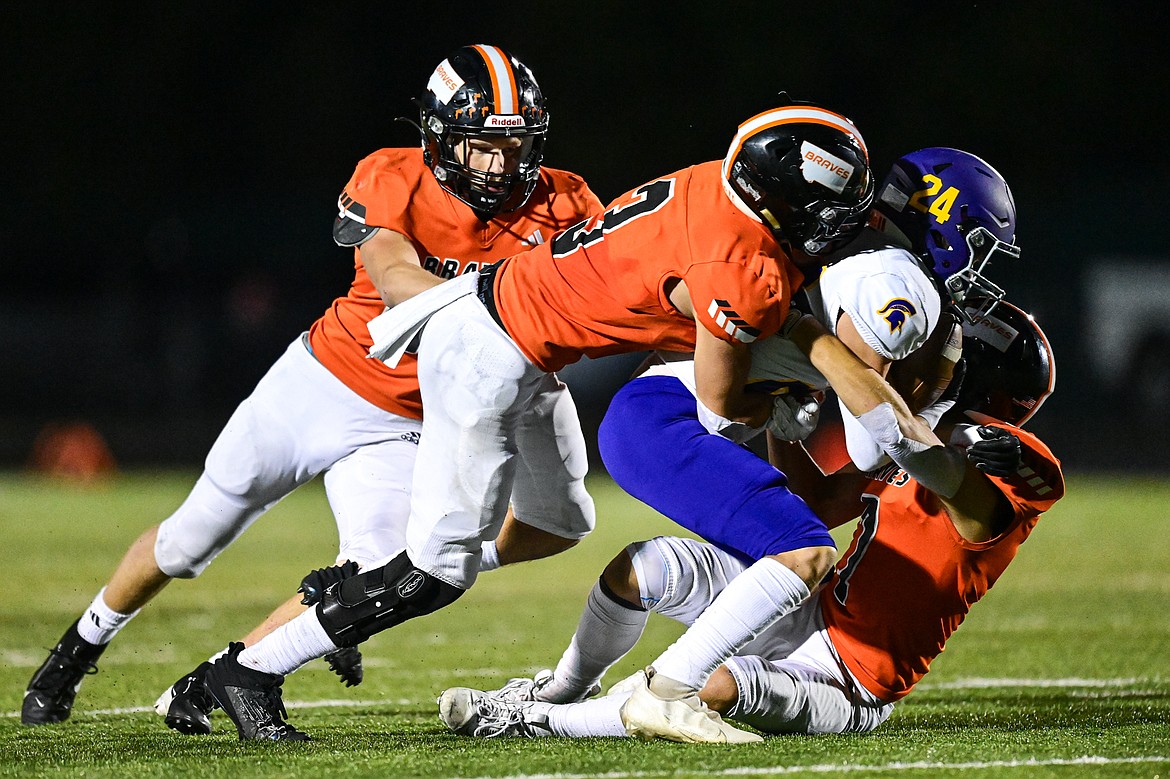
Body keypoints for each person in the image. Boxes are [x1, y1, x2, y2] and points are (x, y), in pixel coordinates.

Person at [199, 100, 877, 740]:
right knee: (435, 574)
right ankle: (249, 668)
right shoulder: (736, 257)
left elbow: (669, 316)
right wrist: (779, 390)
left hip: (521, 344)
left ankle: (375, 587)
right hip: (492, 349)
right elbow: (722, 398)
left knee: (560, 521)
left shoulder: (702, 192)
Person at [22, 44, 603, 738]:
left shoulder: (565, 201)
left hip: (412, 422)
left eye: (515, 147)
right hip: (323, 384)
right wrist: (509, 298)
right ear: (439, 139)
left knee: (377, 579)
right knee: (189, 538)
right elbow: (395, 283)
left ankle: (226, 671)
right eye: (482, 147)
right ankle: (77, 648)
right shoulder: (392, 176)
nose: (500, 166)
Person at [433, 147, 1020, 732]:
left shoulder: (854, 251)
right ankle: (660, 690)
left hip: (652, 410)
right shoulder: (900, 285)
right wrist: (932, 403)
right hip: (672, 422)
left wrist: (797, 402)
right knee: (803, 551)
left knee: (662, 565)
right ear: (950, 222)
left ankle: (544, 702)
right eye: (984, 247)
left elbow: (811, 469)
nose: (983, 268)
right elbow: (873, 442)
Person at [438, 297, 1063, 741]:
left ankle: (538, 721)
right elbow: (812, 505)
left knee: (714, 685)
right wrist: (783, 417)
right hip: (815, 609)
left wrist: (822, 355)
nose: (912, 354)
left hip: (853, 680)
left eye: (938, 350)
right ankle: (558, 691)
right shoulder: (921, 439)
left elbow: (959, 486)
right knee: (640, 568)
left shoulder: (995, 469)